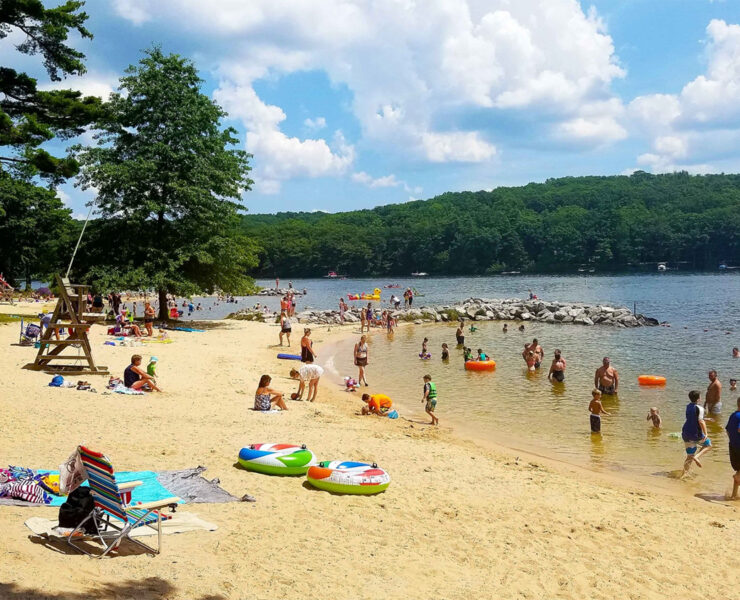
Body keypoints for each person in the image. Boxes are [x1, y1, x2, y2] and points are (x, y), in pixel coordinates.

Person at [682, 390, 712, 475]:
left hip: (686, 433)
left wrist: (706, 419)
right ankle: (697, 456)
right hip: (695, 434)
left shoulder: (688, 406)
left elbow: (692, 418)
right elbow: (700, 421)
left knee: (689, 457)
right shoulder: (700, 408)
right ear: (698, 399)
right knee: (708, 445)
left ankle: (684, 474)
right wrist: (706, 433)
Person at [725, 397, 740, 499]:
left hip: (733, 446)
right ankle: (738, 476)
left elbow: (727, 430)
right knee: (739, 473)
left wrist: (732, 441)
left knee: (739, 470)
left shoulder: (733, 415)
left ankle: (734, 495)